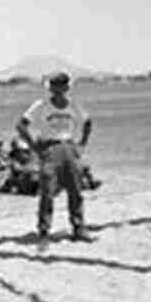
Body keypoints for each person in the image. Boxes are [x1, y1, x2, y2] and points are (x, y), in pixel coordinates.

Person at [17, 72, 94, 241]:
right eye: (55, 86)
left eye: (62, 86)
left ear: (67, 88)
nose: (59, 90)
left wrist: (81, 144)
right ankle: (44, 229)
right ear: (50, 88)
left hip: (69, 147)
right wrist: (33, 146)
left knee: (75, 189)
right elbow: (21, 125)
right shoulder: (41, 105)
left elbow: (87, 122)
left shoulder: (73, 105)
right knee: (47, 191)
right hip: (49, 148)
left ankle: (78, 227)